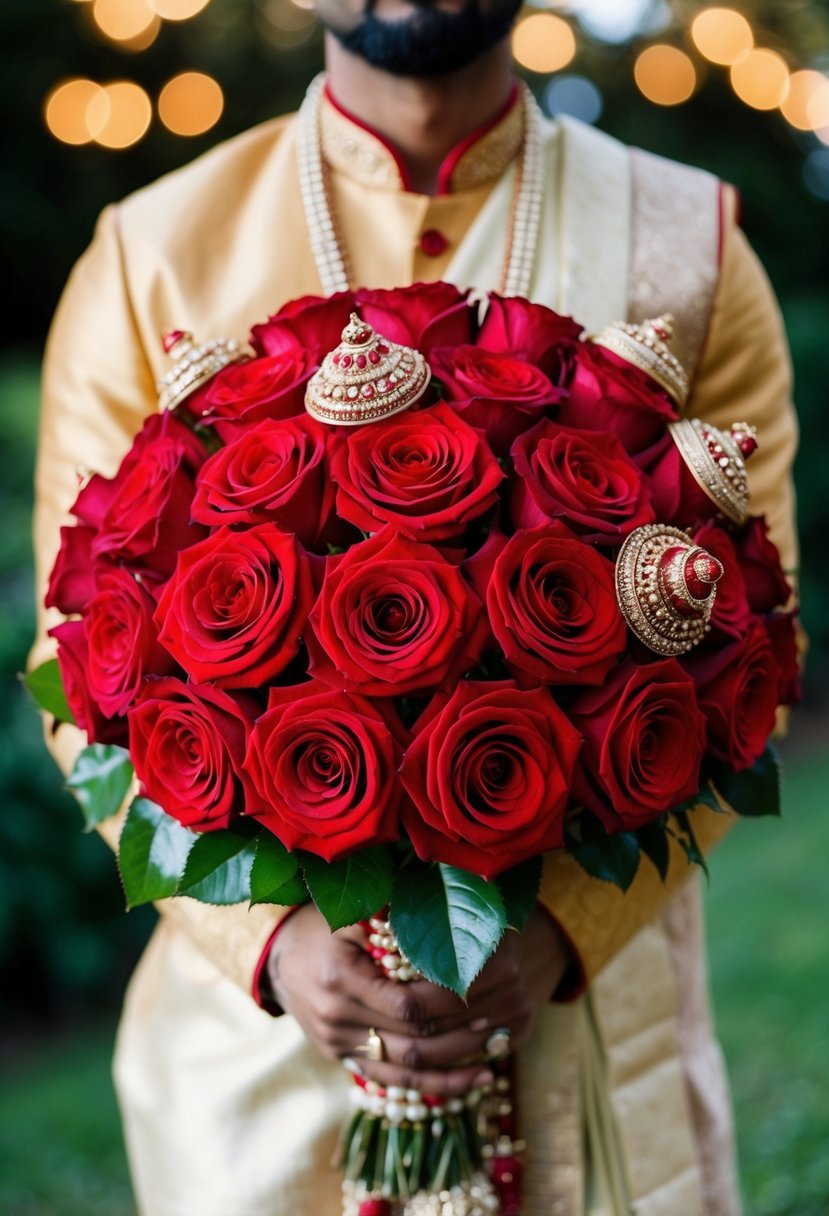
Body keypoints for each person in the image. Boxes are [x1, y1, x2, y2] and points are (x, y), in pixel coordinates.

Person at [30, 0, 799, 1212]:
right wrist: (272, 950)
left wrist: (561, 936)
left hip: (589, 1039)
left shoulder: (686, 243)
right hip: (255, 1081)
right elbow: (80, 673)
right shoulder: (150, 252)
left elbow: (746, 661)